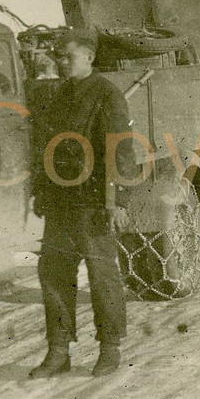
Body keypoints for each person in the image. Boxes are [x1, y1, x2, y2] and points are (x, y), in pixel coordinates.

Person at [28, 27, 135, 378]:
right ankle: (59, 351)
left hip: (93, 200)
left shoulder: (106, 94)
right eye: (58, 57)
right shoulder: (59, 95)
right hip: (61, 200)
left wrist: (116, 201)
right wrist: (42, 192)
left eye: (68, 56)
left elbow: (119, 149)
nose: (62, 62)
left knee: (102, 275)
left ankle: (110, 348)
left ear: (89, 57)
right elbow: (46, 147)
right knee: (54, 274)